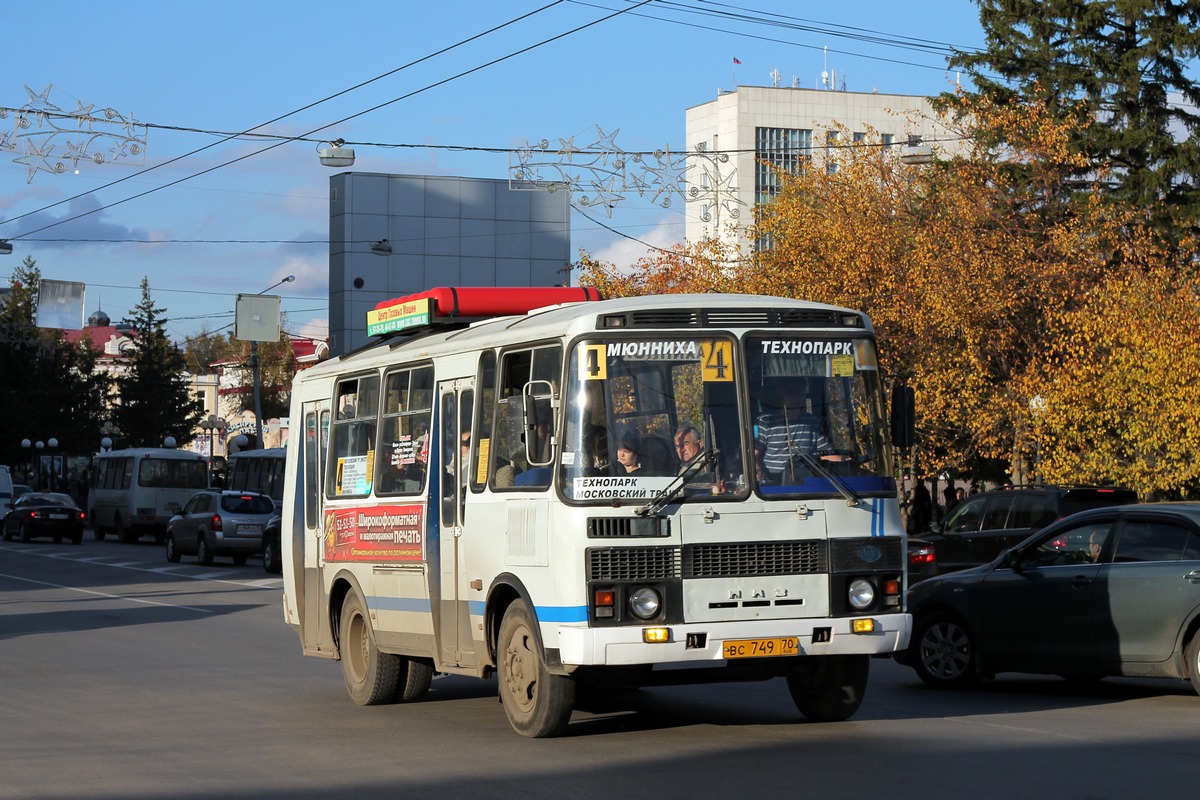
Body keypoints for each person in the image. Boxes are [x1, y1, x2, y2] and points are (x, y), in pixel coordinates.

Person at [753, 381, 830, 483]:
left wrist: (849, 462)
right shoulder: (765, 422)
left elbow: (826, 454)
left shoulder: (813, 422)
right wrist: (761, 476)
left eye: (800, 394)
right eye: (791, 393)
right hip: (772, 483)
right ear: (782, 394)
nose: (796, 398)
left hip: (808, 482)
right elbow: (752, 456)